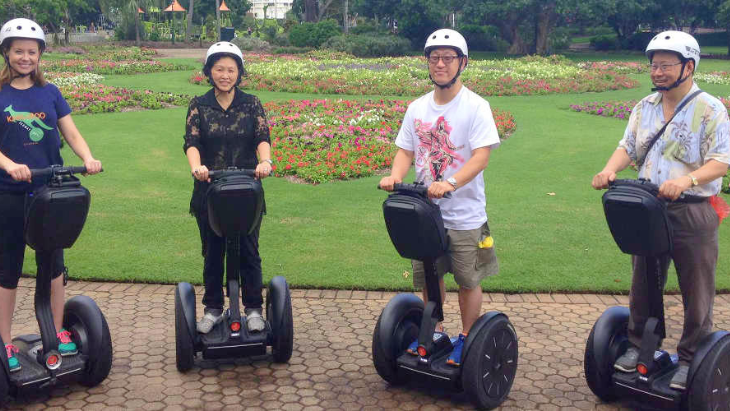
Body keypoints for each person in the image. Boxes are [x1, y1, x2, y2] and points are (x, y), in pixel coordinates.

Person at [592, 31, 730, 391]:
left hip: (692, 211)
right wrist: (610, 169)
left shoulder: (711, 109)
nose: (658, 71)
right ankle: (642, 348)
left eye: (666, 65)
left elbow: (721, 162)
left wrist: (687, 180)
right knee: (644, 284)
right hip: (649, 209)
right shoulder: (645, 107)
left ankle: (690, 358)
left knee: (696, 288)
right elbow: (628, 147)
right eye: (654, 64)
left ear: (689, 66)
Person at [379, 29, 501, 367]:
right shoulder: (417, 107)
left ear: (462, 62)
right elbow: (405, 150)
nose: (440, 64)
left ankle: (467, 339)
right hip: (425, 213)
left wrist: (449, 182)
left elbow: (480, 157)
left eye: (448, 58)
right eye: (434, 58)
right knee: (432, 276)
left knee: (467, 278)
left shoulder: (476, 106)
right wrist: (395, 176)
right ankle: (435, 332)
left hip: (464, 214)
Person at [0, 18, 103, 373]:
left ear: (40, 54)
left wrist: (87, 158)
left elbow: (71, 133)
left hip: (49, 190)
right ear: (7, 53)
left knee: (54, 265)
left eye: (31, 52)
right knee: (8, 267)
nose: (25, 58)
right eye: (18, 51)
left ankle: (57, 330)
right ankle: (5, 340)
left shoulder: (51, 92)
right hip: (10, 192)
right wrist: (9, 164)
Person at [183, 42, 272, 334]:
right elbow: (192, 142)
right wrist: (197, 168)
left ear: (239, 72)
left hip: (247, 190)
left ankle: (254, 308)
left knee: (249, 249)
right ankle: (212, 309)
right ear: (209, 71)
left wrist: (265, 161)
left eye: (231, 69)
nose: (225, 75)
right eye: (219, 69)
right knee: (213, 252)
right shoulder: (199, 104)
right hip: (210, 191)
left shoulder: (251, 103)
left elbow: (262, 135)